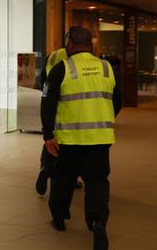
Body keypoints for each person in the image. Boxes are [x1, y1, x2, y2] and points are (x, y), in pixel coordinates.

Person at [41, 27, 122, 250]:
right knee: (97, 181)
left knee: (63, 179)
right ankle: (97, 222)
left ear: (69, 43)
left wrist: (48, 135)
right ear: (91, 44)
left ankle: (58, 218)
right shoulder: (107, 68)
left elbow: (47, 103)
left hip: (69, 139)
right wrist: (101, 118)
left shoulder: (61, 69)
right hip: (100, 138)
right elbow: (118, 102)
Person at [34, 47, 67, 195]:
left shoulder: (52, 55)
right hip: (68, 105)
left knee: (50, 138)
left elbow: (42, 79)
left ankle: (45, 168)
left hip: (50, 100)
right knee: (66, 143)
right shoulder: (76, 56)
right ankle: (68, 178)